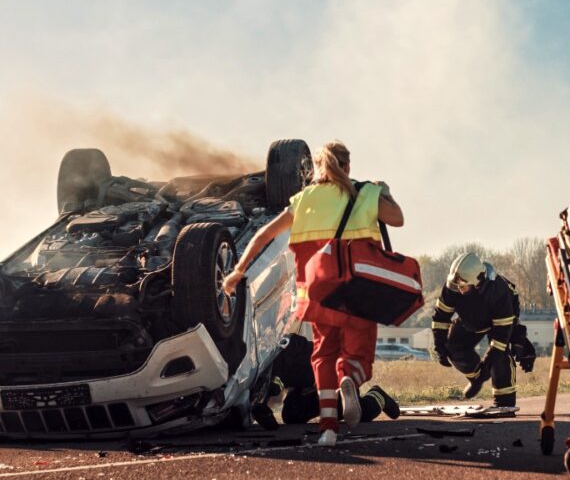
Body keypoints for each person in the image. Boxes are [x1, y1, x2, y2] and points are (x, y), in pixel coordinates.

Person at [222, 140, 404, 447]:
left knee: (323, 357)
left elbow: (264, 234)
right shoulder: (365, 192)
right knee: (355, 355)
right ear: (347, 166)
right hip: (358, 290)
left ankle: (328, 430)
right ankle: (350, 377)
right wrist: (383, 192)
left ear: (316, 170)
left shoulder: (303, 200)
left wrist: (238, 270)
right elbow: (397, 219)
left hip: (319, 292)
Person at [431, 252, 536, 410]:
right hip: (472, 319)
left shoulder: (498, 291)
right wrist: (439, 346)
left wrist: (488, 363)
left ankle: (504, 400)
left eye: (463, 285)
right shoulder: (453, 287)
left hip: (501, 318)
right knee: (452, 343)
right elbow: (440, 317)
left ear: (478, 282)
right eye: (456, 285)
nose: (458, 289)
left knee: (499, 355)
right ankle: (476, 378)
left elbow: (500, 339)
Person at [253, 334, 400, 430]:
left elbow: (299, 346)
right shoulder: (260, 371)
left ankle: (377, 396)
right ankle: (325, 406)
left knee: (357, 414)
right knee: (291, 416)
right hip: (307, 390)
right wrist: (265, 416)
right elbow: (262, 397)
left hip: (333, 378)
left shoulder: (288, 344)